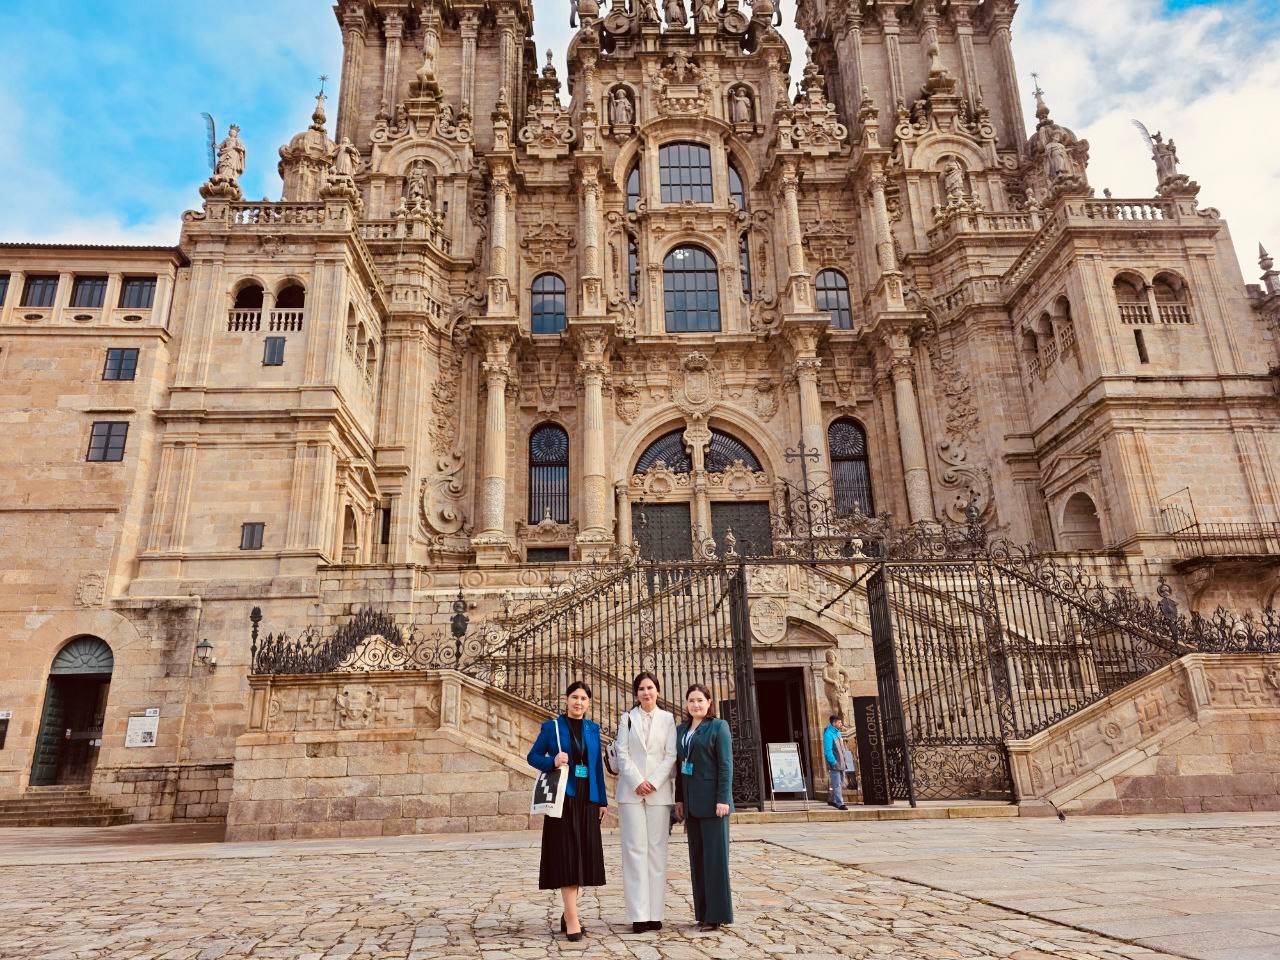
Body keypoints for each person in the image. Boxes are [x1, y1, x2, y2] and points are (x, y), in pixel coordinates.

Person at [527, 681, 608, 942]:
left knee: (583, 857)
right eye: (574, 697)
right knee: (567, 857)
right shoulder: (552, 727)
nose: (579, 702)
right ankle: (573, 921)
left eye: (584, 698)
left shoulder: (592, 729)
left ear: (589, 703)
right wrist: (552, 760)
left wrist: (603, 800)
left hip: (588, 799)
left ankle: (568, 911)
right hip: (564, 798)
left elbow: (596, 767)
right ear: (566, 699)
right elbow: (532, 756)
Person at [616, 672, 677, 934]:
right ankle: (638, 914)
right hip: (631, 792)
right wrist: (637, 781)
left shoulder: (668, 719)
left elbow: (671, 754)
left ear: (658, 691)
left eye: (650, 688)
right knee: (634, 851)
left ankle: (655, 912)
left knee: (656, 851)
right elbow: (621, 752)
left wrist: (652, 781)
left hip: (658, 792)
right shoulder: (627, 719)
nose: (646, 692)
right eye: (641, 688)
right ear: (636, 693)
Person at [674, 684, 733, 931]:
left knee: (715, 860)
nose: (696, 705)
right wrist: (679, 799)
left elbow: (725, 765)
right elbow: (679, 767)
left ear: (709, 702)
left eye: (700, 700)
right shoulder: (682, 729)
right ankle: (703, 912)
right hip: (691, 804)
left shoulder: (718, 727)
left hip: (713, 803)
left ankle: (716, 914)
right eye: (691, 701)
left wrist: (723, 799)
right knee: (697, 859)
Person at [823, 715, 850, 810]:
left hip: (841, 762)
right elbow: (828, 750)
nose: (841, 724)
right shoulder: (828, 734)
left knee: (841, 782)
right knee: (837, 784)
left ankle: (832, 799)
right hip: (835, 763)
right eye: (839, 722)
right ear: (834, 723)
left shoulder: (837, 733)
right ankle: (840, 803)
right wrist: (833, 762)